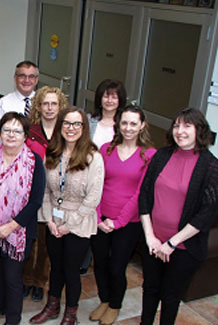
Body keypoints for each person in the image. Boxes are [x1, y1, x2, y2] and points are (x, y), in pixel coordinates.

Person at [138, 108, 218, 325]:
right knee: (150, 289)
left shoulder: (210, 165)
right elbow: (144, 196)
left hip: (184, 248)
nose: (180, 131)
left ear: (199, 130)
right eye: (176, 126)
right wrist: (150, 237)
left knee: (170, 296)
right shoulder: (161, 155)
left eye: (187, 126)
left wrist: (172, 243)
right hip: (153, 242)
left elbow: (207, 213)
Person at [30, 107, 104, 325]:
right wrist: (50, 221)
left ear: (84, 128)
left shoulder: (93, 157)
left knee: (71, 270)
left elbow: (93, 197)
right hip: (54, 219)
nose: (71, 129)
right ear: (60, 126)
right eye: (67, 124)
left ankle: (70, 313)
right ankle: (52, 306)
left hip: (79, 222)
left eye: (76, 124)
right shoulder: (53, 153)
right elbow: (44, 190)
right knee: (55, 266)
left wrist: (69, 225)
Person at [0, 112, 46, 324]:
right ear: (0, 133)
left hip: (19, 231)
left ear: (25, 136)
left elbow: (36, 201)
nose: (11, 135)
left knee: (12, 278)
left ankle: (13, 319)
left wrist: (10, 227)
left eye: (17, 131)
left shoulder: (33, 162)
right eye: (7, 130)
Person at [89, 105, 156, 324]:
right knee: (99, 263)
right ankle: (105, 300)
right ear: (118, 124)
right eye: (124, 123)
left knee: (116, 266)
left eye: (133, 123)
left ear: (142, 126)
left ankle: (115, 305)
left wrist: (118, 222)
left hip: (128, 222)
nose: (128, 128)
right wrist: (98, 218)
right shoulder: (106, 149)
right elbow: (96, 184)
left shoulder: (149, 155)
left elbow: (140, 193)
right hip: (100, 219)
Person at [24, 86, 68, 302]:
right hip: (30, 193)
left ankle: (40, 281)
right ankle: (26, 279)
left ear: (60, 107)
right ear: (38, 106)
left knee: (46, 243)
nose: (49, 108)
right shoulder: (30, 131)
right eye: (45, 104)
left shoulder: (66, 132)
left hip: (56, 195)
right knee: (29, 240)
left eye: (54, 104)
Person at [0, 61, 40, 146]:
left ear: (36, 80)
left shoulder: (43, 102)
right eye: (22, 76)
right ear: (15, 78)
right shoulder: (4, 103)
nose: (27, 80)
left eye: (31, 76)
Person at [89, 79, 126, 148]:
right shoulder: (88, 120)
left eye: (114, 97)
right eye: (106, 97)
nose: (109, 101)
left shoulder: (125, 124)